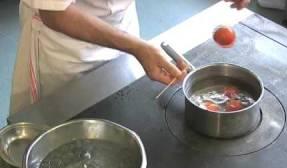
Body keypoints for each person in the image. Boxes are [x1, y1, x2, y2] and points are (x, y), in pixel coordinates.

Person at [10, 0, 250, 115]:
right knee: (57, 127)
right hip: (66, 50)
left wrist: (134, 46)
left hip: (121, 25)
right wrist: (136, 47)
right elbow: (55, 13)